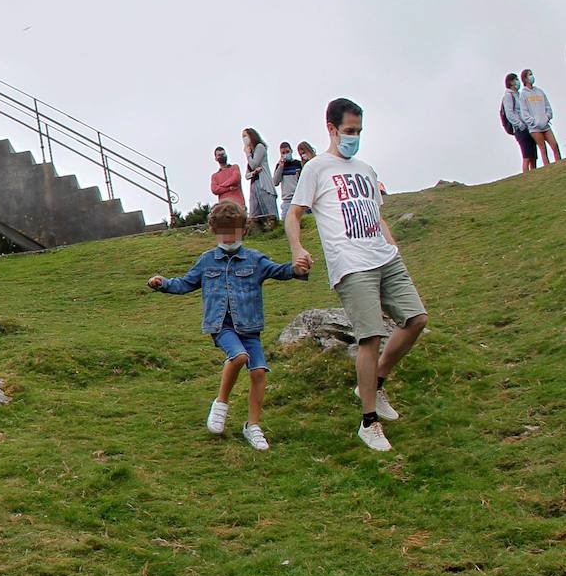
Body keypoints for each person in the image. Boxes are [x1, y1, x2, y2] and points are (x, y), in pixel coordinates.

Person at [285, 98, 430, 453]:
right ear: (331, 129)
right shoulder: (316, 168)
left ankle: (375, 382)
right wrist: (297, 249)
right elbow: (294, 215)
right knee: (370, 337)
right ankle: (369, 422)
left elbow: (377, 217)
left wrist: (394, 249)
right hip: (351, 264)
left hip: (385, 257)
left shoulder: (366, 170)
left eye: (359, 131)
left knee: (416, 319)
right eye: (349, 131)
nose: (354, 137)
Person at [148, 199, 311, 451]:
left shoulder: (255, 259)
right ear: (215, 231)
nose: (227, 237)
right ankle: (221, 404)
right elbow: (186, 283)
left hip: (250, 327)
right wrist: (164, 283)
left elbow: (279, 271)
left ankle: (252, 425)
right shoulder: (206, 261)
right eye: (222, 232)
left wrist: (297, 269)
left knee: (258, 372)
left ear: (243, 229)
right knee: (239, 357)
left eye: (232, 231)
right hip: (221, 325)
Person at [518, 68, 559, 165]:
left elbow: (548, 106)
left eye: (531, 74)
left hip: (545, 125)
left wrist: (547, 117)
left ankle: (559, 165)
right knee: (543, 149)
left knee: (554, 145)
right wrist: (534, 122)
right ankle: (548, 169)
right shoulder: (523, 95)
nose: (531, 76)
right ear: (525, 79)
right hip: (535, 128)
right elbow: (524, 113)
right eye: (529, 75)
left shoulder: (539, 91)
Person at [502, 73, 538, 174]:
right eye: (515, 80)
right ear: (511, 82)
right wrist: (520, 124)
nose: (518, 82)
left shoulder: (518, 94)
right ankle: (526, 177)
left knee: (533, 155)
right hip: (520, 129)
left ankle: (535, 175)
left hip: (527, 127)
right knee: (526, 155)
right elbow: (510, 114)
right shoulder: (508, 96)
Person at [242, 128, 278, 219]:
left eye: (245, 136)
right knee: (254, 214)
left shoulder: (260, 147)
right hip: (254, 185)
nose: (244, 139)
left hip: (264, 184)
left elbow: (254, 164)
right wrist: (253, 173)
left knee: (269, 214)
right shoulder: (251, 153)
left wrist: (248, 154)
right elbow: (247, 175)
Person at [272, 141, 303, 218]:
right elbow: (275, 182)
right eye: (283, 153)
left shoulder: (298, 164)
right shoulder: (279, 166)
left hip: (298, 197)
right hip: (287, 200)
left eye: (287, 152)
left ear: (291, 151)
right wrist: (281, 166)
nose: (286, 154)